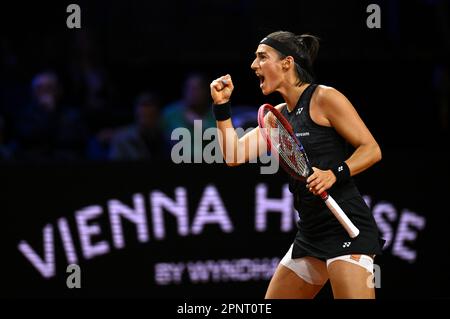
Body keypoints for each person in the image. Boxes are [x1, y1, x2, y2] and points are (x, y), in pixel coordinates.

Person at [210, 31, 384, 299]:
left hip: (346, 226)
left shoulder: (325, 97)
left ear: (287, 63)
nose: (253, 65)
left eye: (262, 57)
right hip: (311, 234)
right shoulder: (276, 117)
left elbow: (371, 149)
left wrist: (334, 174)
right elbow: (233, 155)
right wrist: (222, 108)